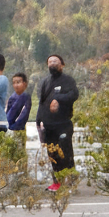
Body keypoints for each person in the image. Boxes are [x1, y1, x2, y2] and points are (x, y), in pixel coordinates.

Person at [36, 54, 79, 192]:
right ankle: (57, 182)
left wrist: (58, 99)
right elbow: (41, 103)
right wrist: (38, 120)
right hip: (48, 125)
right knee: (52, 154)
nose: (52, 63)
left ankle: (69, 179)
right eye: (50, 62)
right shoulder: (44, 82)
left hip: (63, 123)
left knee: (65, 150)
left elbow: (74, 95)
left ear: (62, 65)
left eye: (55, 61)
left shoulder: (68, 80)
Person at [5, 72, 31, 139]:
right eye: (14, 83)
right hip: (8, 127)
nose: (16, 85)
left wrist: (14, 127)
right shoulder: (12, 97)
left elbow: (24, 114)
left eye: (18, 82)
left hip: (18, 129)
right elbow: (8, 112)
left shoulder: (26, 96)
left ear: (24, 84)